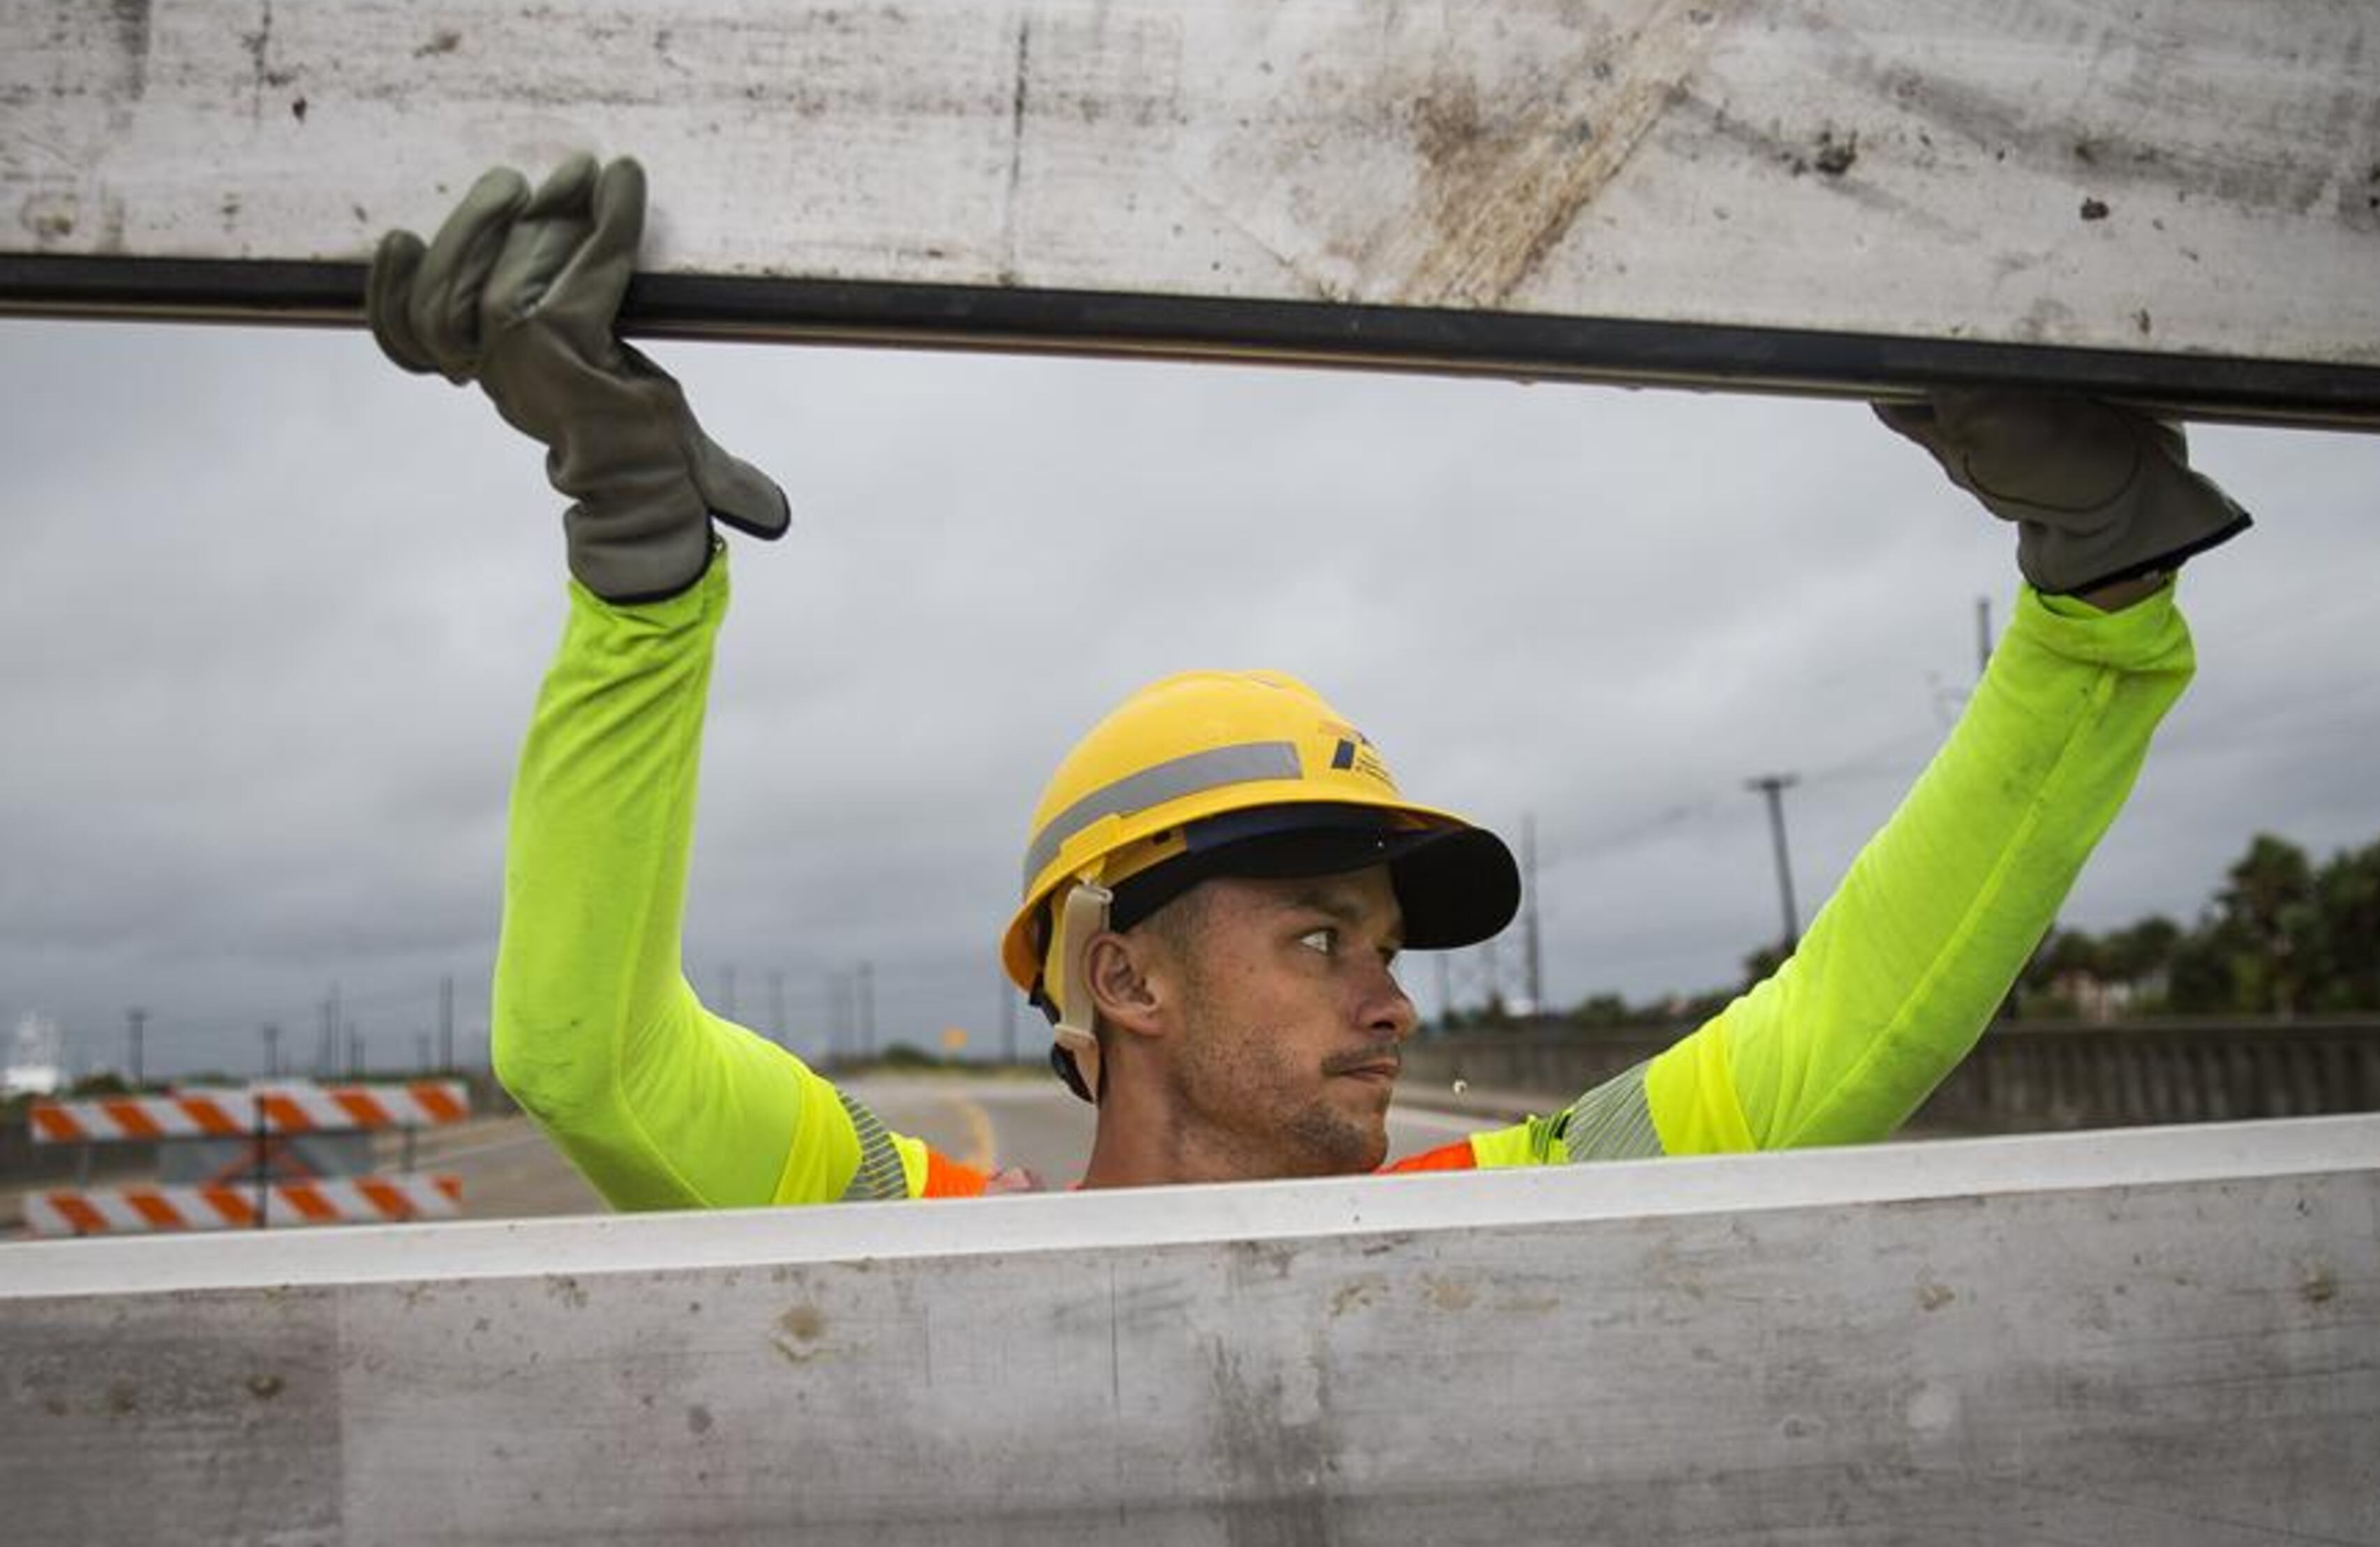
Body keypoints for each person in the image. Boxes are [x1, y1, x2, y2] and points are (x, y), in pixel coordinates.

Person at [371, 156, 2248, 1206]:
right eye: (1322, 937)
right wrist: (638, 569)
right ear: (1121, 974)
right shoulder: (916, 1240)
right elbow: (583, 1052)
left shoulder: (1498, 1211)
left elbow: (1855, 1021)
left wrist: (2095, 607)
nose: (1390, 995)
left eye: (1383, 942)